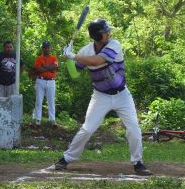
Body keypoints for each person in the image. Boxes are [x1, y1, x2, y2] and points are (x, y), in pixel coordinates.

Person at [55, 18, 152, 176]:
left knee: (134, 128)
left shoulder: (115, 44)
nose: (108, 33)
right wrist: (68, 59)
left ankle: (138, 162)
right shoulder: (85, 51)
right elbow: (74, 74)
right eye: (105, 32)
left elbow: (99, 60)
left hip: (122, 95)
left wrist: (73, 56)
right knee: (87, 129)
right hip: (100, 96)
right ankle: (65, 159)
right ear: (96, 35)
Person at [32, 41, 58, 126]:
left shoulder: (54, 58)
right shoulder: (38, 58)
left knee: (51, 101)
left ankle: (53, 120)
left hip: (51, 81)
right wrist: (49, 68)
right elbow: (38, 70)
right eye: (45, 47)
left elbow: (55, 67)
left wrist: (43, 67)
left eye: (48, 47)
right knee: (39, 100)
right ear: (42, 48)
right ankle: (38, 119)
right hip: (40, 80)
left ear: (50, 48)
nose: (46, 49)